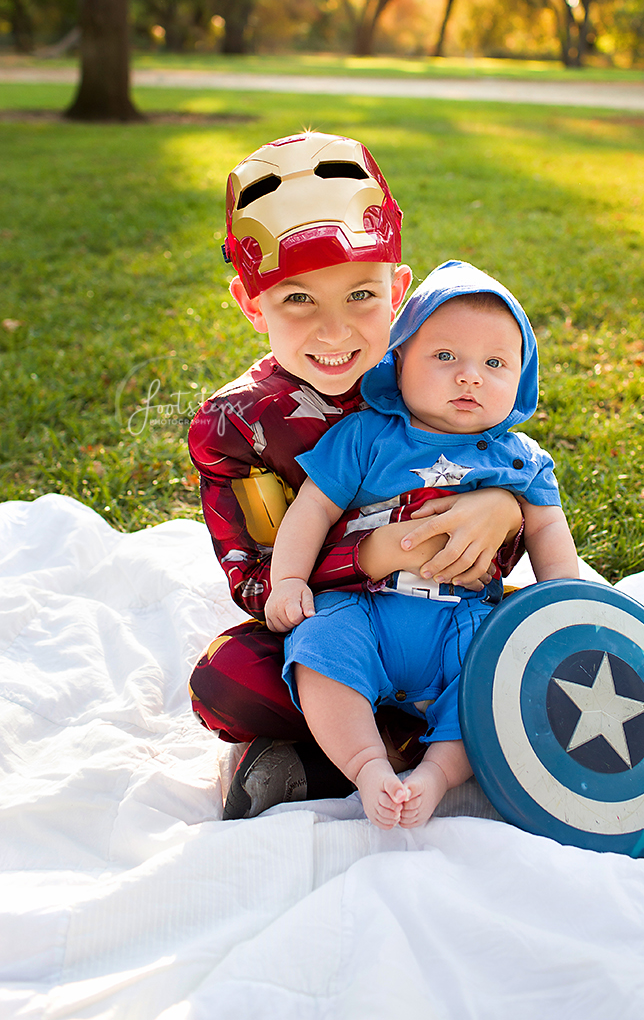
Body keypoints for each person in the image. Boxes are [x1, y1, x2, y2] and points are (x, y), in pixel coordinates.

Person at [188, 133, 524, 818]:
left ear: (398, 290)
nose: (335, 332)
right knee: (226, 679)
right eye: (298, 301)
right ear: (252, 305)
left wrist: (506, 512)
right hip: (334, 631)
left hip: (449, 615)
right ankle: (423, 745)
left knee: (510, 641)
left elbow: (508, 464)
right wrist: (369, 555)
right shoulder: (238, 427)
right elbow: (256, 578)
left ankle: (321, 758)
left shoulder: (436, 367)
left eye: (361, 294)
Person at [267, 261, 580, 829]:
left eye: (494, 364)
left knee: (494, 684)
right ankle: (367, 766)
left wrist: (567, 607)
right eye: (445, 357)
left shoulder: (519, 460)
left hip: (463, 620)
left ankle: (435, 775)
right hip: (364, 609)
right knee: (319, 650)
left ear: (521, 378)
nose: (469, 377)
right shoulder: (366, 436)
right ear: (400, 360)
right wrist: (287, 580)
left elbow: (550, 534)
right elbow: (312, 508)